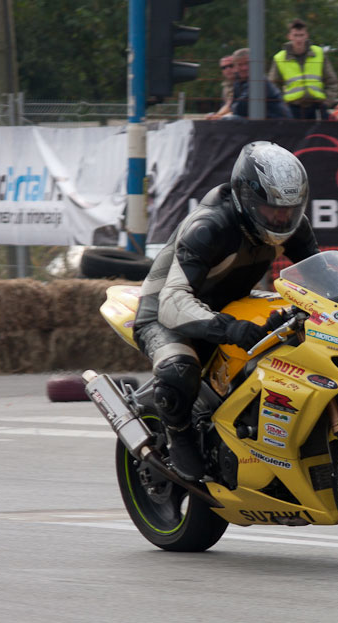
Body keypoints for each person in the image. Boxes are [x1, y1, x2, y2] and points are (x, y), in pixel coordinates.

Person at [132, 142, 319, 481]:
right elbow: (173, 302)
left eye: (289, 210)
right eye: (271, 209)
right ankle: (179, 434)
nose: (281, 218)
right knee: (179, 370)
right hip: (166, 314)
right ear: (245, 198)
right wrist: (229, 329)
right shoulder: (209, 227)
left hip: (231, 307)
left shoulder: (291, 224)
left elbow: (318, 277)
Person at [267, 18, 338, 120]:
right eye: (296, 35)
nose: (299, 39)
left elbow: (332, 81)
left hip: (317, 107)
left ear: (307, 35)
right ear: (289, 36)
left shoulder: (319, 53)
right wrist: (282, 106)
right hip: (292, 108)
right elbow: (273, 86)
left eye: (301, 35)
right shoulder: (279, 58)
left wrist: (326, 102)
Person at [228, 48, 292, 120]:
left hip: (278, 123)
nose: (244, 68)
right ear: (235, 67)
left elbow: (241, 107)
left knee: (230, 119)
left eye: (247, 63)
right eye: (240, 64)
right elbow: (234, 107)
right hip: (260, 123)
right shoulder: (238, 82)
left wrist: (235, 108)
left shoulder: (259, 81)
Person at [206, 55, 236, 120]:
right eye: (224, 67)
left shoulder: (242, 82)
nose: (228, 69)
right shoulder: (225, 86)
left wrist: (217, 116)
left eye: (231, 65)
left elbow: (231, 105)